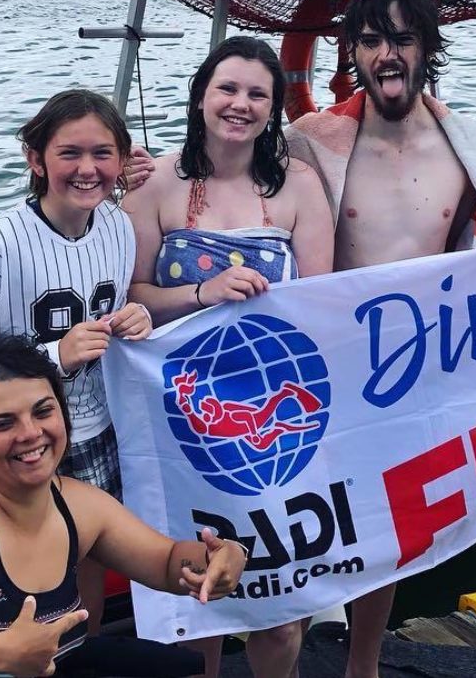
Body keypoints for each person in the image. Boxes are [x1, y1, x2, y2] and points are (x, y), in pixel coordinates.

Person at [287, 0, 476, 678]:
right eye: (373, 38)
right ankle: (285, 655)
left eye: (404, 38)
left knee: (386, 525)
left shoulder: (469, 144)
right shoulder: (311, 141)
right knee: (302, 522)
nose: (389, 53)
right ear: (351, 50)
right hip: (325, 364)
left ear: (427, 48)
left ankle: (363, 665)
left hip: (415, 370)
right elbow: (242, 208)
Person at [0, 334, 246, 678]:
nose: (31, 434)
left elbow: (166, 562)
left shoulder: (79, 504)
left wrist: (221, 559)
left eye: (42, 412)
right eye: (4, 423)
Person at [122, 35, 334, 677]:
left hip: (277, 423)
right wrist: (200, 293)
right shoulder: (157, 181)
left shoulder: (299, 185)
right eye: (227, 89)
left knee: (281, 606)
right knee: (196, 592)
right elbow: (130, 296)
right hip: (183, 419)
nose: (240, 104)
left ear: (273, 109)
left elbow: (324, 303)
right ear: (201, 97)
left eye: (256, 94)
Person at [0, 88, 154, 629]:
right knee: (1, 577)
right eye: (69, 153)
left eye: (103, 153)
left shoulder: (119, 228)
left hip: (94, 431)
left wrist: (135, 320)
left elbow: (116, 313)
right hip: (18, 441)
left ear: (121, 160)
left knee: (87, 574)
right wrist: (54, 356)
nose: (87, 169)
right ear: (37, 160)